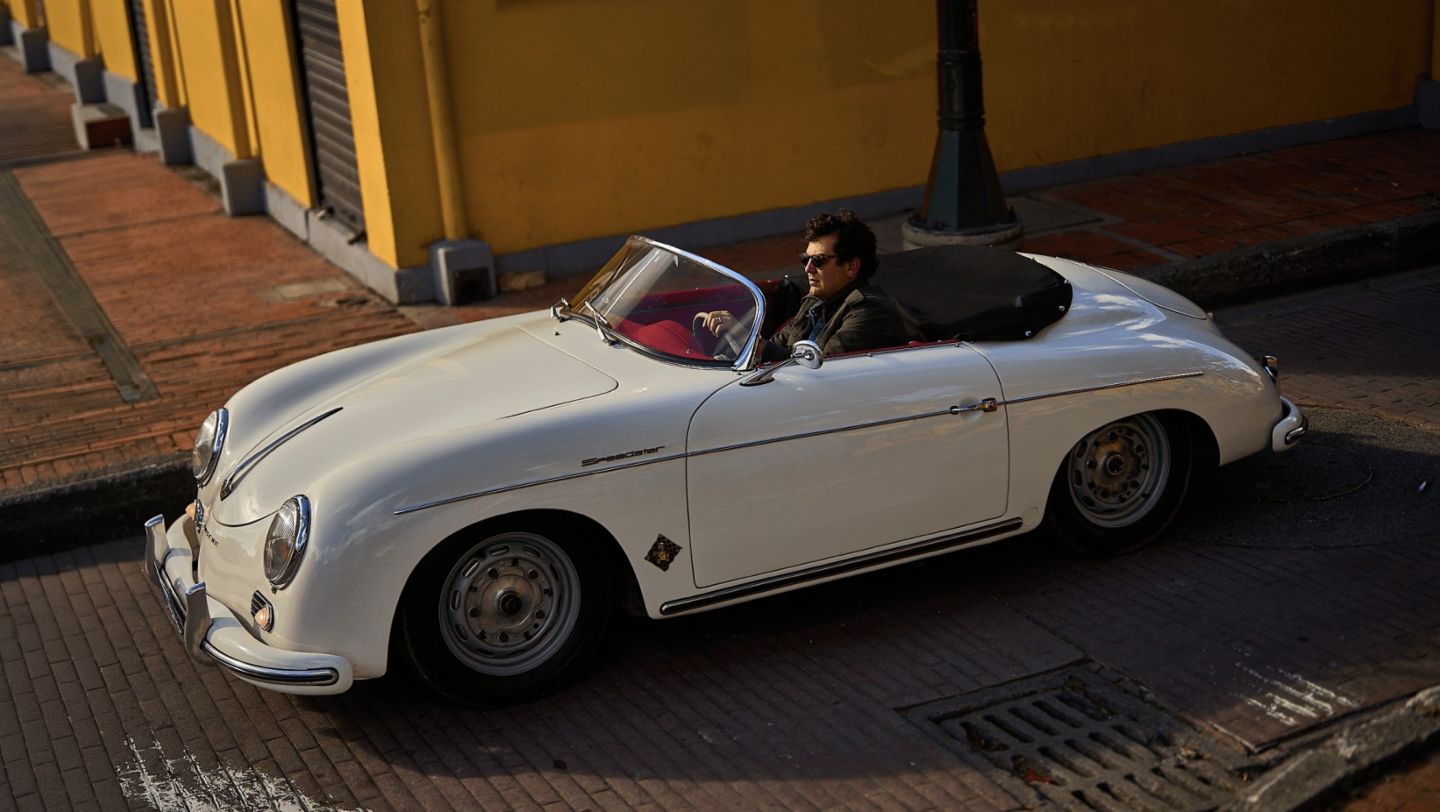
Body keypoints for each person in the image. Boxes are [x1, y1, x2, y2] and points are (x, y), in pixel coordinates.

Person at [698, 210, 920, 361]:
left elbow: (822, 368)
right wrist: (743, 340)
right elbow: (779, 346)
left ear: (851, 267)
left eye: (819, 261)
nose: (808, 269)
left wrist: (747, 338)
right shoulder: (815, 302)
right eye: (806, 259)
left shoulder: (871, 312)